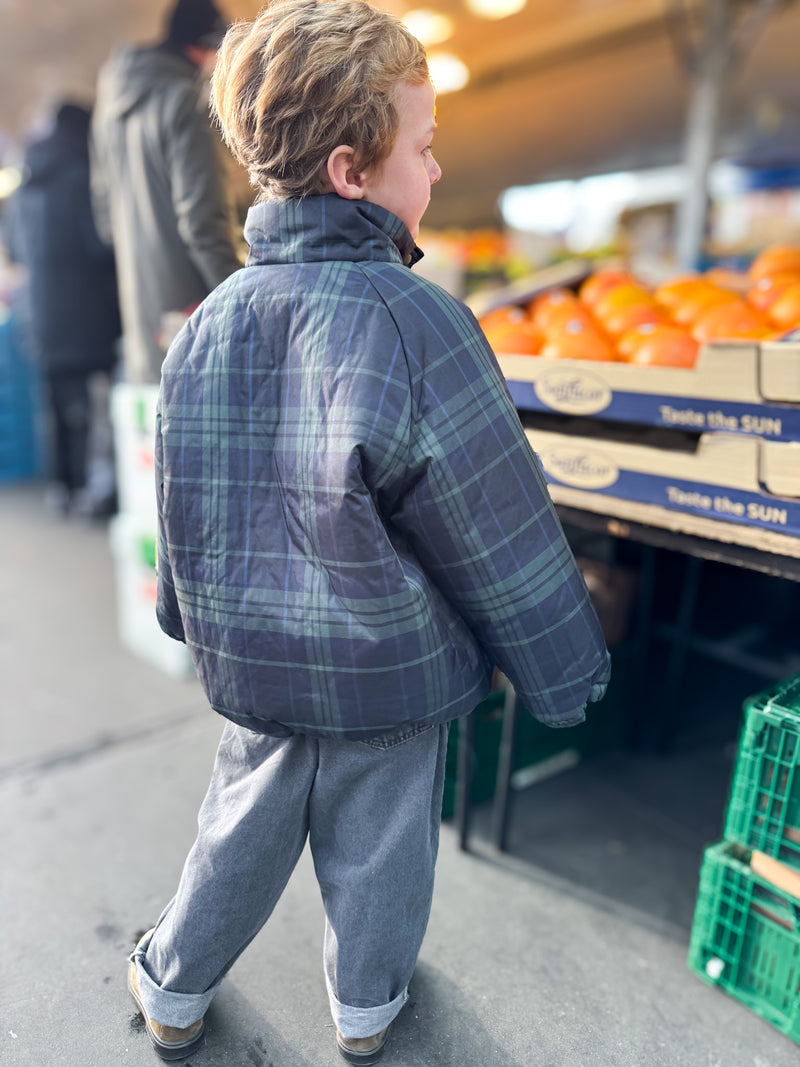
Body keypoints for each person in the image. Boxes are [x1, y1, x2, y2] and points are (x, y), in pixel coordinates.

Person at [127, 1, 612, 1062]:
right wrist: (563, 670)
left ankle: (172, 985)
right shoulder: (418, 319)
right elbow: (495, 525)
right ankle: (366, 1009)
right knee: (383, 848)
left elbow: (188, 503)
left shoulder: (209, 323)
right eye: (425, 148)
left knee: (236, 830)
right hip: (389, 669)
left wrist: (184, 617)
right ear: (353, 171)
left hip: (254, 661)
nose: (434, 173)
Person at [90, 0, 242, 385]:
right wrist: (246, 301)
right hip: (197, 319)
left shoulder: (111, 108)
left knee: (159, 442)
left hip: (144, 322)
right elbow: (203, 224)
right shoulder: (186, 105)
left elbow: (105, 221)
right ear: (205, 48)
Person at [5, 103, 121, 517]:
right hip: (85, 311)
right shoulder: (77, 175)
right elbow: (95, 244)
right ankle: (99, 489)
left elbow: (15, 250)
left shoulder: (24, 184)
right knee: (97, 403)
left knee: (56, 404)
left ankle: (63, 487)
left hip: (39, 313)